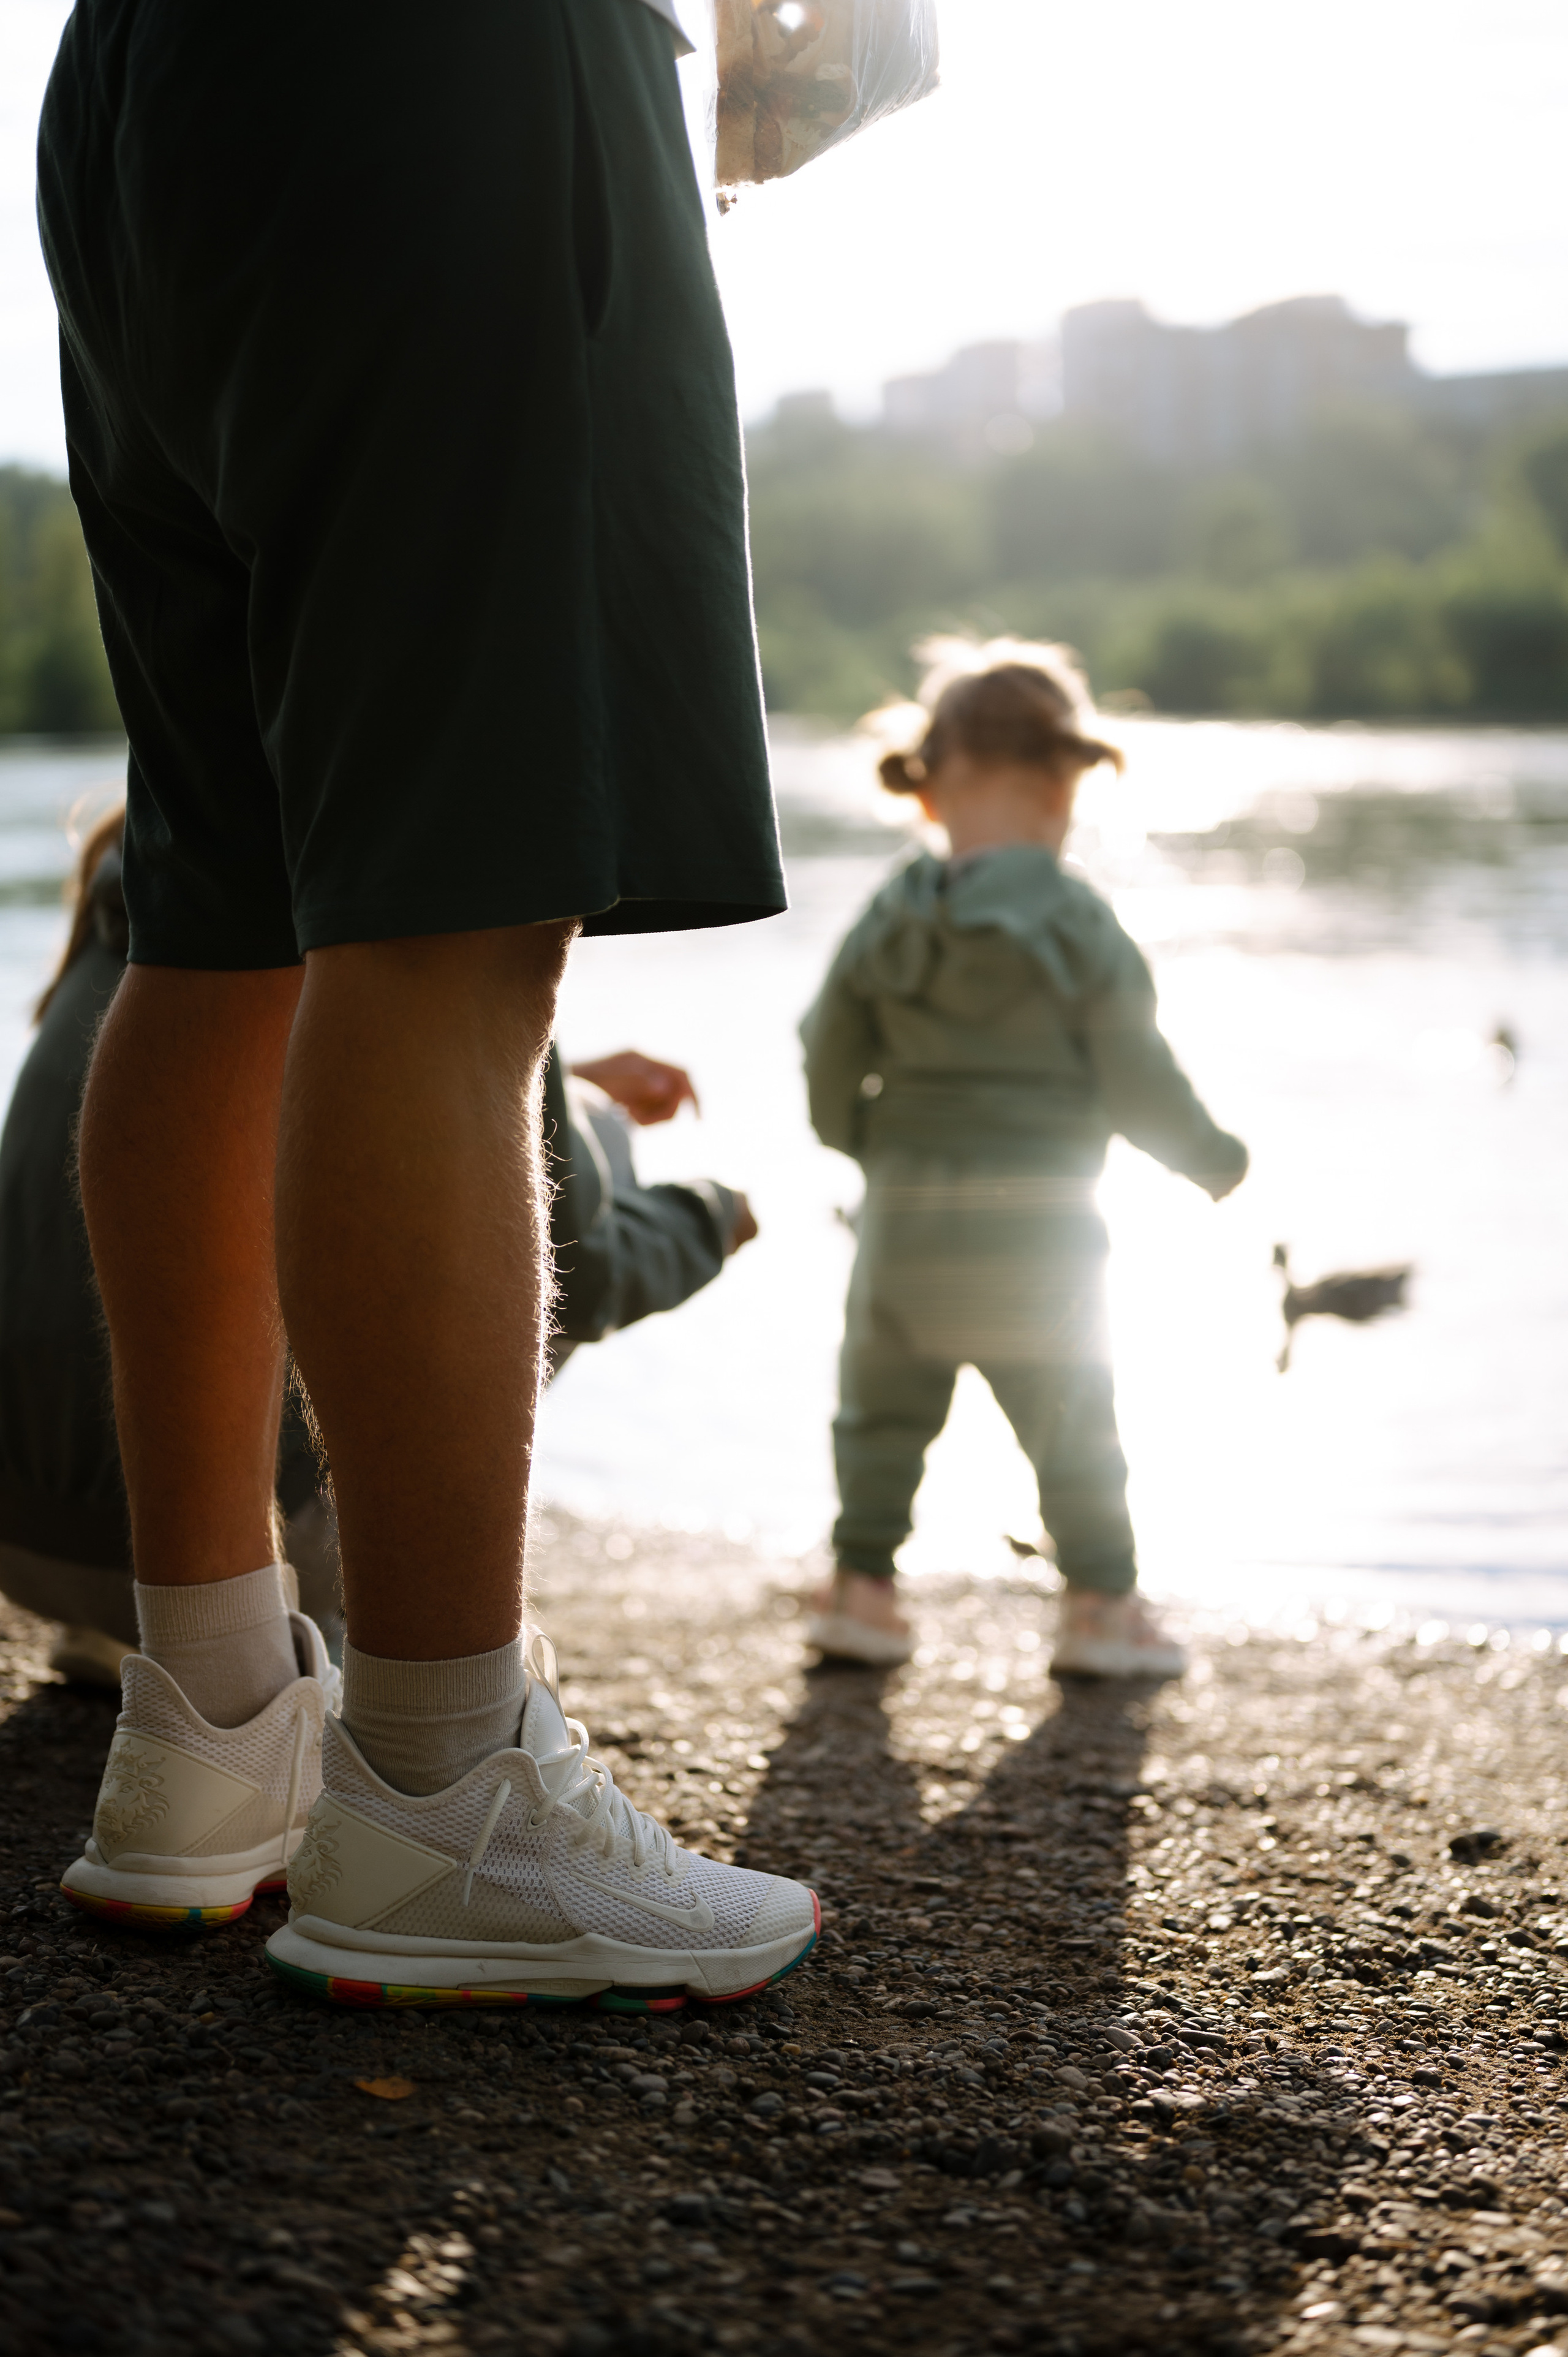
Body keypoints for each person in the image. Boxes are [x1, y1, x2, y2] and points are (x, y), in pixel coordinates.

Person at [37, 0, 818, 2002]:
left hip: (153, 80)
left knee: (223, 902)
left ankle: (209, 1724)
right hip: (454, 68)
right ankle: (444, 1785)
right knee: (462, 917)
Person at [0, 817, 760, 1683]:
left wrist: (570, 1078)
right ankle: (421, 1669)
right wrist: (712, 1215)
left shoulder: (159, 934)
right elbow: (583, 1273)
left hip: (30, 1540)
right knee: (543, 1193)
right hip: (264, 1556)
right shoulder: (423, 881)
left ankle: (135, 1640)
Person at [799, 640, 1248, 1676]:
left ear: (932, 787)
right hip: (1038, 1235)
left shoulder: (891, 912)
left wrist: (858, 1138)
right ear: (1066, 783)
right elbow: (1138, 1074)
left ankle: (861, 1591)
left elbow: (828, 1045)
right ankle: (1099, 1610)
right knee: (1072, 1422)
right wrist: (1212, 1158)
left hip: (903, 1224)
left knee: (878, 1416)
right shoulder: (1081, 923)